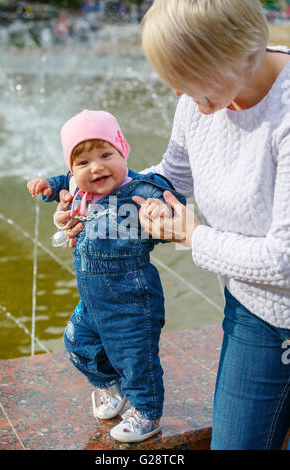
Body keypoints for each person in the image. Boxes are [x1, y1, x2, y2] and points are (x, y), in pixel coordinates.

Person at [55, 0, 290, 450]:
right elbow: (170, 177)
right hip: (256, 311)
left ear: (233, 54)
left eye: (187, 80)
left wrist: (191, 236)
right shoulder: (201, 101)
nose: (180, 96)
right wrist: (96, 203)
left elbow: (283, 260)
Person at [27, 109, 186, 443]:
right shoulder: (77, 187)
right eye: (82, 162)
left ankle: (146, 413)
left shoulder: (139, 190)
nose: (96, 167)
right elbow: (61, 182)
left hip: (131, 298)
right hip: (94, 297)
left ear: (122, 150)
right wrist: (46, 187)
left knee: (135, 357)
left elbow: (172, 202)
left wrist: (161, 211)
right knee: (77, 343)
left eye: (105, 155)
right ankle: (107, 386)